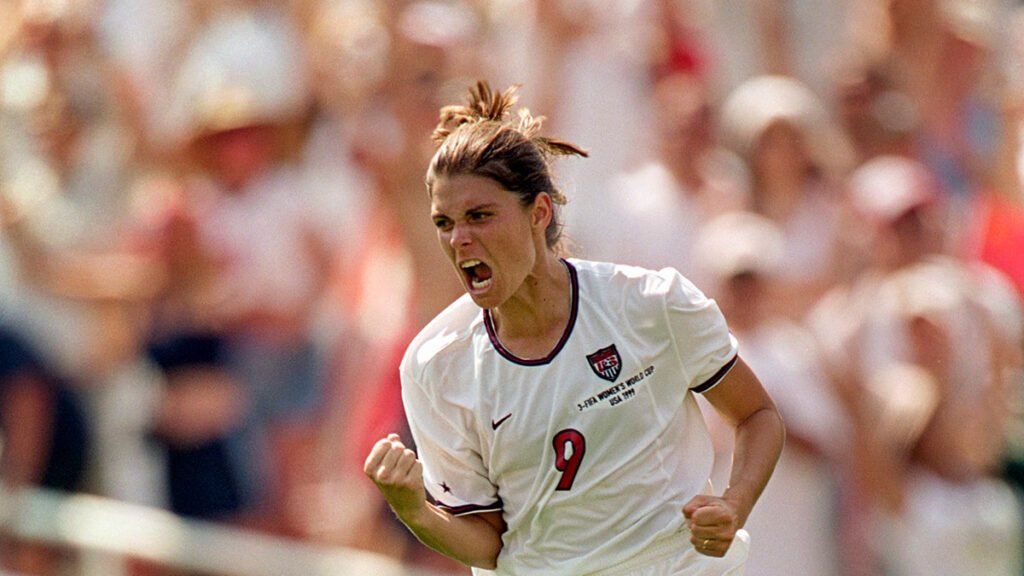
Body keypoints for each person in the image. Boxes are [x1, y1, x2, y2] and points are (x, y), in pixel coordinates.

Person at [363, 81, 785, 575]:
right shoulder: (434, 365)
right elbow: (487, 545)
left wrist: (734, 504)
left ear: (539, 213)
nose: (459, 239)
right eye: (444, 223)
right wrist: (413, 509)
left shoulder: (649, 304)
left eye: (480, 216)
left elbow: (756, 414)